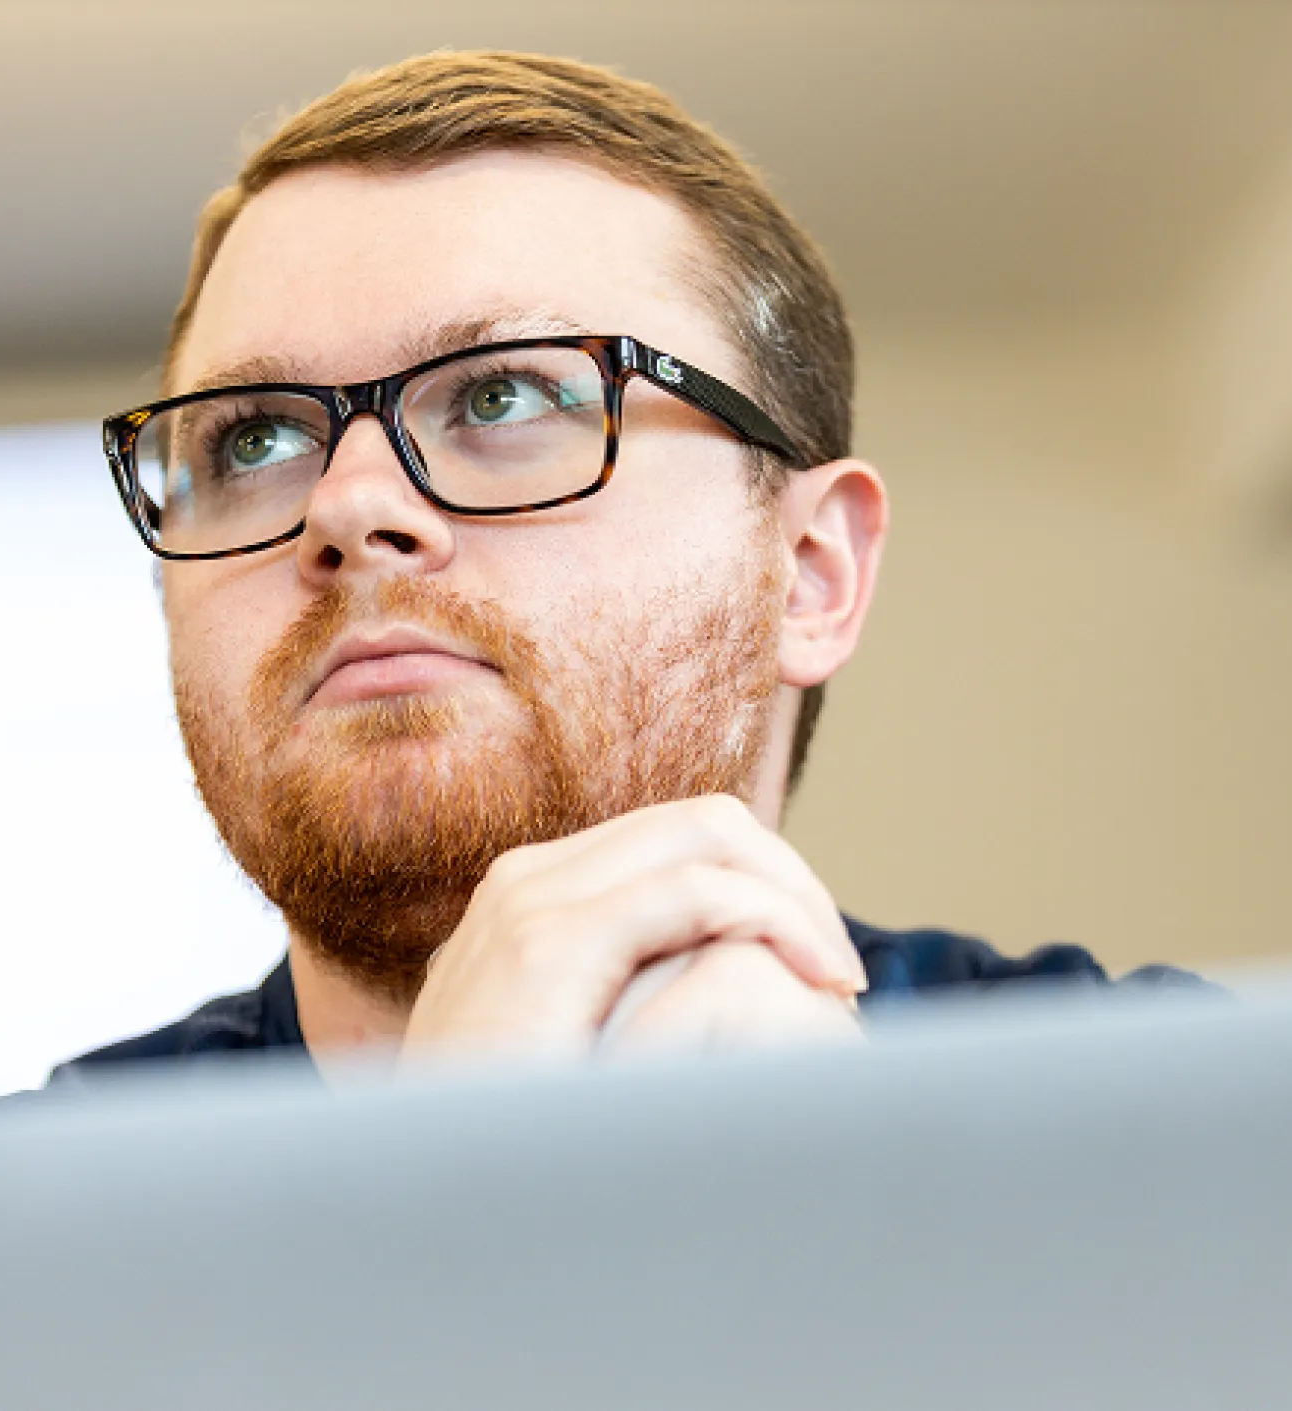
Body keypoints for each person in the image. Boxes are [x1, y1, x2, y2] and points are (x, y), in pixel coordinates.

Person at [70, 50, 1196, 1087]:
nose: (348, 503)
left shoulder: (1180, 1119)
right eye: (254, 441)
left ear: (811, 572)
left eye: (502, 395)